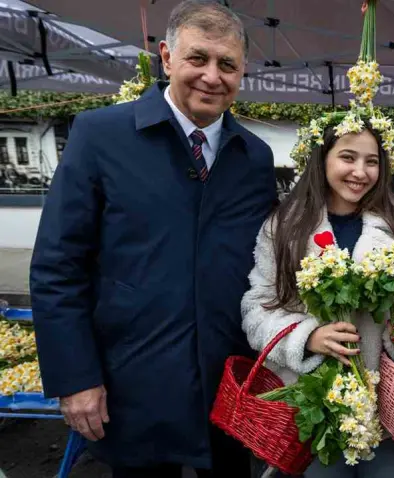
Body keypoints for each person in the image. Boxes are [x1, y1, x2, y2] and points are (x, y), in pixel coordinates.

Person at [28, 2, 277, 477]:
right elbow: (57, 267)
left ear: (242, 72)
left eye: (227, 65)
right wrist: (76, 378)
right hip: (134, 386)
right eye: (197, 59)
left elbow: (263, 267)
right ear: (166, 58)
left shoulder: (255, 158)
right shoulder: (100, 136)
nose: (211, 76)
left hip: (227, 389)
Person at [241, 114, 394, 478]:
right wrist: (306, 337)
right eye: (348, 157)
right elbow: (255, 307)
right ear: (322, 158)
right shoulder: (284, 227)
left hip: (386, 408)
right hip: (312, 405)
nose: (360, 171)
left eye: (372, 161)